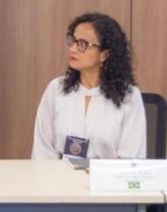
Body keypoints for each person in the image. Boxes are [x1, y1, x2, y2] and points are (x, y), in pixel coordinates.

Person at [32, 12, 146, 160]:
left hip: (107, 175)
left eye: (82, 44)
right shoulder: (56, 89)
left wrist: (96, 173)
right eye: (73, 41)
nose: (72, 49)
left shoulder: (129, 96)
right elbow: (42, 152)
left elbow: (130, 158)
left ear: (104, 54)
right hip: (59, 174)